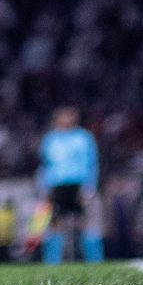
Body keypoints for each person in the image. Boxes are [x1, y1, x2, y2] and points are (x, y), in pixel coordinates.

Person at [36, 105, 103, 265]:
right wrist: (44, 187)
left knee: (84, 222)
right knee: (55, 223)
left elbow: (91, 163)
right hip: (56, 185)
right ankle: (52, 262)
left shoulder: (83, 138)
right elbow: (44, 165)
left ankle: (95, 261)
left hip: (78, 184)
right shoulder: (50, 139)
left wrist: (90, 186)